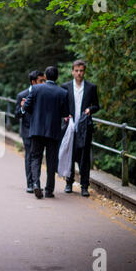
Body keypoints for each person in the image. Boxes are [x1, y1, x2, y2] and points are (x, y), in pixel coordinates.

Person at [23, 66, 69, 199]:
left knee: (35, 157)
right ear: (57, 77)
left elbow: (26, 107)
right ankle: (49, 190)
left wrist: (36, 114)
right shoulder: (62, 92)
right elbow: (65, 113)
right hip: (53, 131)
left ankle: (36, 183)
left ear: (46, 77)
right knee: (51, 161)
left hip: (37, 130)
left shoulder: (36, 89)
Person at [61, 60, 100, 197]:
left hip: (85, 128)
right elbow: (62, 106)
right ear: (72, 71)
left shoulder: (91, 87)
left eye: (81, 71)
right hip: (69, 127)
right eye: (76, 71)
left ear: (84, 72)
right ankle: (68, 183)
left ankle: (84, 186)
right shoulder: (65, 87)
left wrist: (90, 109)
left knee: (84, 159)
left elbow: (96, 105)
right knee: (69, 156)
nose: (79, 73)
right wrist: (65, 115)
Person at [15, 70, 45, 194]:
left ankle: (36, 183)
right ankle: (30, 184)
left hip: (40, 130)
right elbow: (16, 115)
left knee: (37, 157)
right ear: (33, 82)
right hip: (27, 130)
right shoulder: (22, 95)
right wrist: (22, 108)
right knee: (29, 156)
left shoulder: (44, 94)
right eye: (41, 81)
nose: (44, 83)